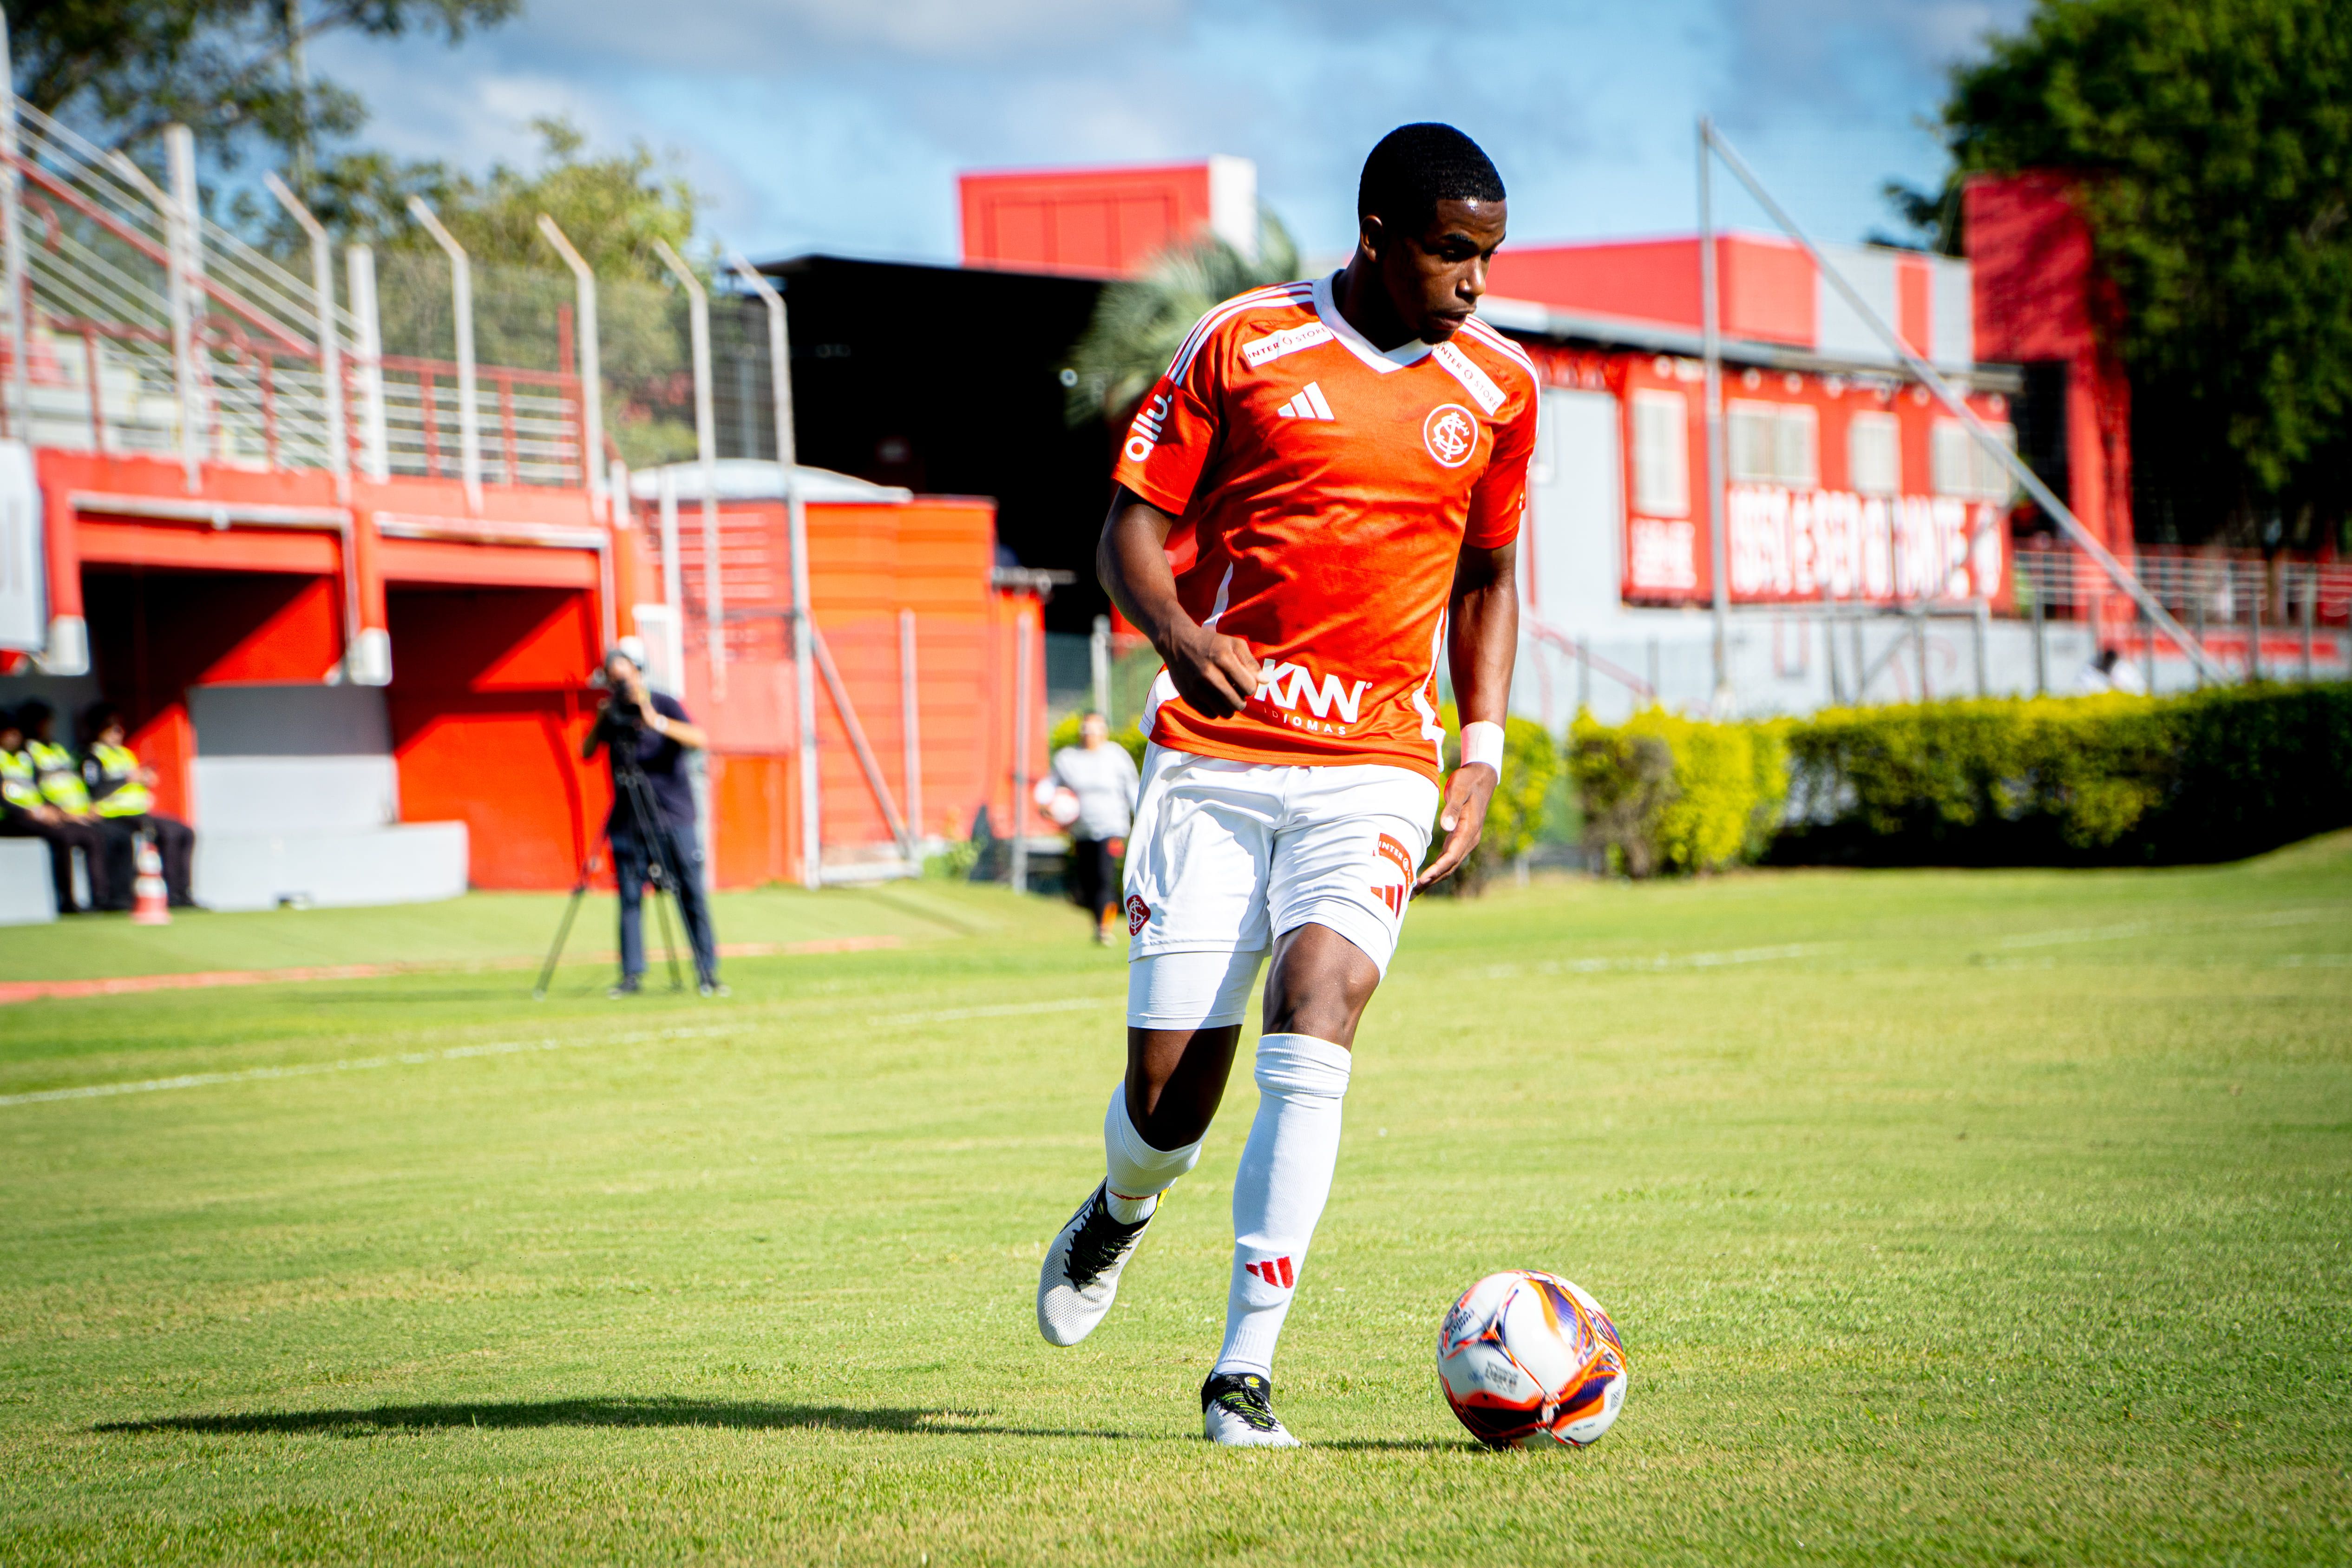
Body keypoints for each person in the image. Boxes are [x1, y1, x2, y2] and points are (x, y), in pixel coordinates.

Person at [1033, 123, 1533, 1446]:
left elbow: (1488, 578)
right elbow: (1130, 526)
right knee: (1166, 1108)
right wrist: (1177, 637)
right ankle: (1121, 1207)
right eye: (1451, 252)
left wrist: (1478, 747)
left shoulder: (1497, 386)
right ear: (1376, 235)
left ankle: (1240, 1374)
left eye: (1488, 256)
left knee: (1317, 1016)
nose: (1474, 281)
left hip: (1375, 763)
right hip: (1214, 758)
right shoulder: (1242, 343)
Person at [581, 641, 724, 998]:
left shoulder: (664, 703)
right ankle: (631, 974)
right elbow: (586, 752)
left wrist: (654, 719)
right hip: (629, 821)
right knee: (630, 898)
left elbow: (699, 738)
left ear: (639, 671)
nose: (620, 685)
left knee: (690, 892)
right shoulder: (613, 713)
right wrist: (602, 719)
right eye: (613, 680)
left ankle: (706, 970)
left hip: (672, 816)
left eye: (624, 677)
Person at [15, 697, 127, 911]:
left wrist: (87, 808)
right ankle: (68, 902)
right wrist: (60, 812)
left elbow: (73, 783)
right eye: (43, 722)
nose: (48, 727)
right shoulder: (26, 753)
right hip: (54, 815)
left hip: (78, 812)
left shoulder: (57, 749)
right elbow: (32, 788)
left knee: (105, 835)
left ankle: (104, 897)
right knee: (68, 838)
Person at [79, 703, 197, 907]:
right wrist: (127, 779)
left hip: (138, 812)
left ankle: (183, 892)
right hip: (114, 814)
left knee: (185, 832)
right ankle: (171, 896)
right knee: (168, 834)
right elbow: (95, 790)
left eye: (120, 728)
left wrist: (144, 779)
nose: (119, 733)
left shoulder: (124, 754)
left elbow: (132, 782)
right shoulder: (92, 757)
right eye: (113, 729)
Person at [1048, 711, 1140, 944]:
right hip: (1081, 830)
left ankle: (1104, 928)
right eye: (1086, 730)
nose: (1090, 735)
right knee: (1086, 882)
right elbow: (1049, 788)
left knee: (1103, 877)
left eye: (1095, 730)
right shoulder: (1068, 758)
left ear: (1104, 732)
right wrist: (1047, 807)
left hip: (1111, 828)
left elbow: (1133, 789)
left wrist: (1141, 817)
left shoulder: (1116, 756)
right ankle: (1098, 923)